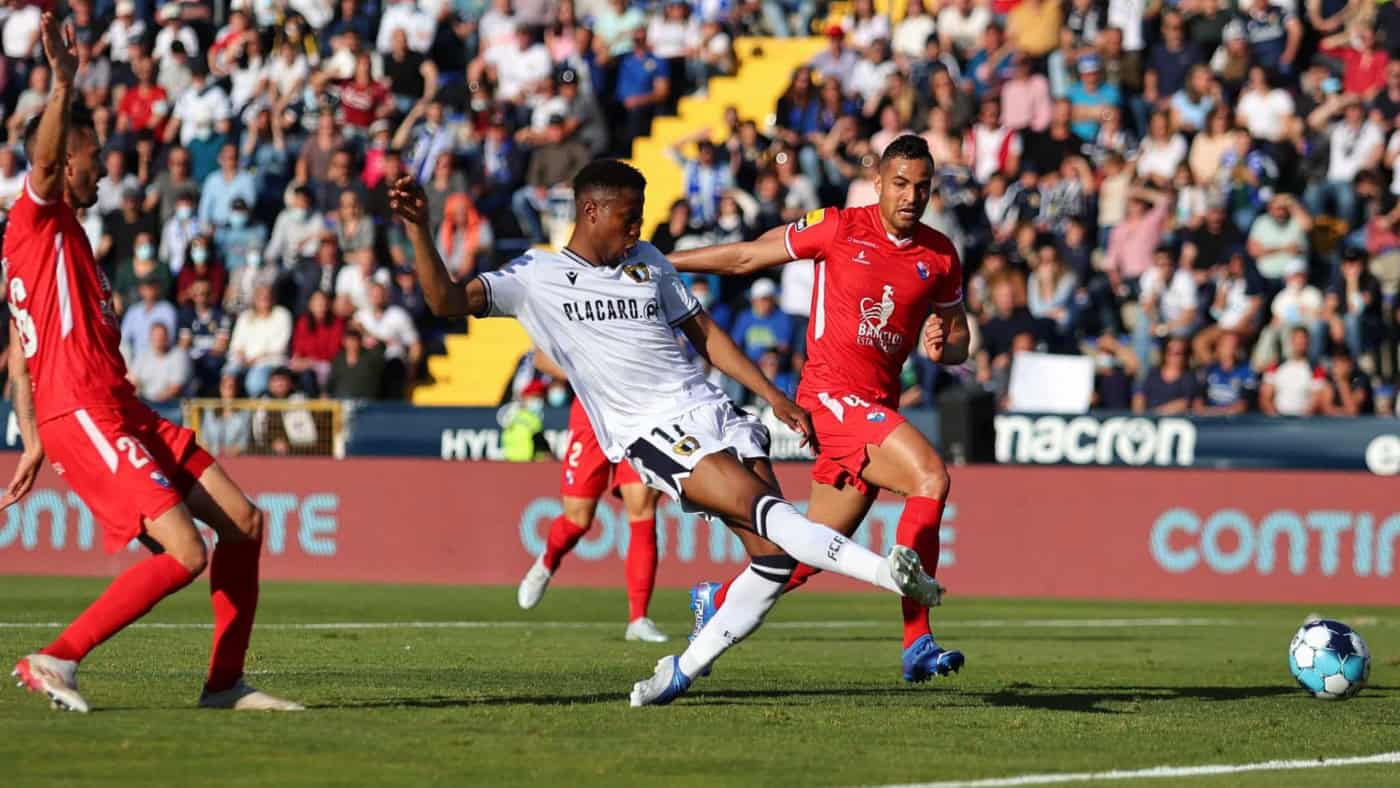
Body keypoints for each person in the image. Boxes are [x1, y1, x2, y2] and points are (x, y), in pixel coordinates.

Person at [388, 160, 944, 707]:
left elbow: (705, 334)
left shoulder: (648, 261)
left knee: (774, 560)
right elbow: (445, 301)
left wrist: (773, 396)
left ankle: (681, 670)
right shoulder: (535, 277)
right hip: (653, 430)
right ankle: (889, 574)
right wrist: (418, 228)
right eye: (629, 218)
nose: (638, 229)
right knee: (766, 512)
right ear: (591, 211)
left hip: (715, 411)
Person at [4, 14, 298, 713]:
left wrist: (33, 436)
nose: (104, 167)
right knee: (185, 553)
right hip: (86, 407)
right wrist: (64, 84)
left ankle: (225, 686)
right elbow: (41, 164)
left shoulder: (63, 241)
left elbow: (18, 353)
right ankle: (55, 658)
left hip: (116, 408)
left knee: (244, 522)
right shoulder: (33, 221)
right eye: (94, 156)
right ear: (66, 160)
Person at [669, 135, 970, 684]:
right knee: (930, 477)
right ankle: (917, 640)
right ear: (877, 182)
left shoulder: (939, 256)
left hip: (874, 408)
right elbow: (745, 256)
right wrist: (663, 263)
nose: (911, 197)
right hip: (831, 399)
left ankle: (717, 599)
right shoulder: (838, 227)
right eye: (900, 184)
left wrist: (943, 345)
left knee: (804, 557)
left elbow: (958, 341)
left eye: (922, 187)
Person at [515, 351, 669, 644]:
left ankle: (638, 618)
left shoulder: (647, 305)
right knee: (577, 519)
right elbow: (540, 358)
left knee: (643, 509)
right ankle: (547, 562)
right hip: (591, 414)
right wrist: (591, 370)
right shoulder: (575, 306)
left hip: (639, 414)